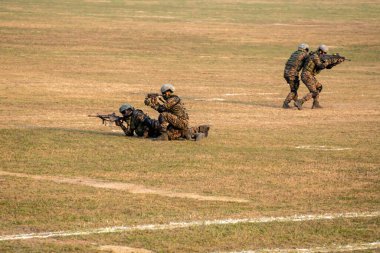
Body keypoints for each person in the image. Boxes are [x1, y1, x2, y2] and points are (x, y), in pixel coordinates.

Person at [295, 44, 330, 110]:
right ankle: (299, 102)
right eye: (324, 53)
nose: (324, 54)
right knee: (314, 92)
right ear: (321, 51)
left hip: (309, 75)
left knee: (319, 87)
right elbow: (320, 66)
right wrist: (327, 62)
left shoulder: (314, 55)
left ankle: (315, 103)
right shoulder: (315, 56)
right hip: (307, 75)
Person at [282, 43, 310, 108]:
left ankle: (296, 102)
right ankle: (286, 103)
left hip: (286, 73)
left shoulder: (294, 53)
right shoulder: (304, 54)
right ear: (306, 49)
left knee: (294, 88)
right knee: (294, 90)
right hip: (292, 74)